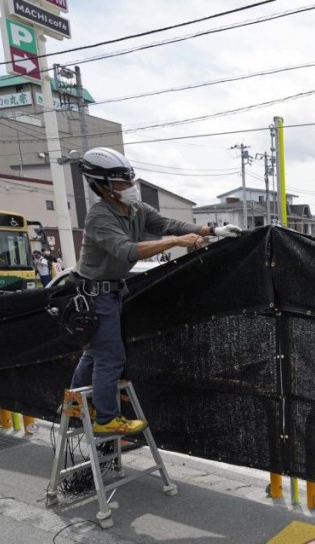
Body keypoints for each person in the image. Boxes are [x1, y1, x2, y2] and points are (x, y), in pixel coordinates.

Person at [67, 147, 242, 435]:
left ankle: (74, 403)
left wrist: (210, 232)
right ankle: (106, 420)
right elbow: (125, 250)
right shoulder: (100, 217)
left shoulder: (136, 209)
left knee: (95, 352)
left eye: (130, 181)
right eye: (122, 183)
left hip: (108, 292)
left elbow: (167, 224)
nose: (130, 188)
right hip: (93, 295)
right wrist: (176, 242)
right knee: (111, 357)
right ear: (102, 187)